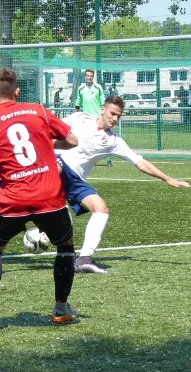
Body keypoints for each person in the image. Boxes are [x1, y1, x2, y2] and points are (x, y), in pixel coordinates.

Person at [0, 67, 79, 330]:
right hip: (49, 196)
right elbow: (72, 140)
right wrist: (44, 142)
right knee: (65, 245)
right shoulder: (38, 111)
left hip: (14, 199)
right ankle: (60, 308)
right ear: (17, 91)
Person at [57, 95, 190, 273]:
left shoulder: (113, 141)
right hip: (54, 165)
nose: (115, 119)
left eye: (118, 116)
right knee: (43, 205)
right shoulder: (80, 118)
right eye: (112, 113)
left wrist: (167, 178)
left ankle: (84, 259)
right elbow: (51, 127)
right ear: (102, 109)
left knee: (101, 209)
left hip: (75, 178)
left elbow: (139, 162)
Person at [75, 69, 113, 167]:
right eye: (87, 76)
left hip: (98, 118)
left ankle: (108, 160)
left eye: (91, 76)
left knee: (104, 139)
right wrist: (75, 115)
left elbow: (102, 102)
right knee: (87, 139)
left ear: (93, 77)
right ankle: (90, 159)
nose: (89, 77)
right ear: (85, 77)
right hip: (86, 119)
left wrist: (103, 115)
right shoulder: (81, 88)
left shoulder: (98, 88)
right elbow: (78, 102)